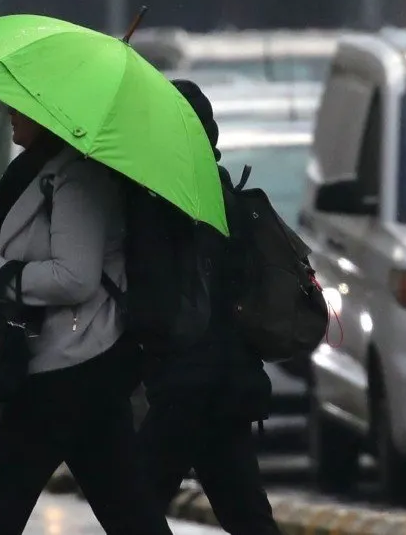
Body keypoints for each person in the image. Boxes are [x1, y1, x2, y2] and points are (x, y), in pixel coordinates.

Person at [0, 105, 173, 535]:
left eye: (22, 107)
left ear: (49, 114)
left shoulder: (77, 179)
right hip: (78, 365)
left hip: (69, 367)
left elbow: (74, 277)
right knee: (128, 510)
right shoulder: (40, 173)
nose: (11, 114)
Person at [135, 79, 282, 535]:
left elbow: (154, 296)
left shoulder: (167, 201)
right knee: (246, 512)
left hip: (187, 382)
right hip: (228, 378)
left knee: (134, 506)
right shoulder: (223, 194)